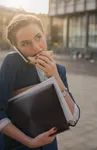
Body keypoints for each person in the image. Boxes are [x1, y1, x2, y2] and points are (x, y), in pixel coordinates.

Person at [0, 14, 80, 150]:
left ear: (44, 34)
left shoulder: (59, 70)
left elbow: (73, 118)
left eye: (38, 37)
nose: (37, 48)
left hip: (50, 146)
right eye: (25, 43)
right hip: (18, 146)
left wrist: (55, 78)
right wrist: (30, 142)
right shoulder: (12, 64)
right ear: (17, 48)